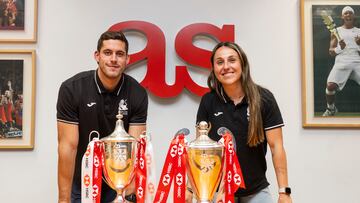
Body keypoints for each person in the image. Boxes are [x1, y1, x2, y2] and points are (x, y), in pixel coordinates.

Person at [186, 42, 292, 203]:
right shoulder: (208, 101)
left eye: (232, 60)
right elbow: (200, 153)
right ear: (214, 69)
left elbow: (276, 147)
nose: (226, 66)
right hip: (218, 191)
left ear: (243, 64)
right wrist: (189, 188)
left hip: (255, 190)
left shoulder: (264, 99)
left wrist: (284, 192)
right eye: (220, 62)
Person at [57, 31, 148, 203]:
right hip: (83, 180)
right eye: (107, 53)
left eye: (119, 54)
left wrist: (127, 195)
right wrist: (63, 199)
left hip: (120, 182)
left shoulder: (137, 93)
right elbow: (67, 148)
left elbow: (135, 150)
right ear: (97, 56)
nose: (113, 59)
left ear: (127, 59)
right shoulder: (72, 89)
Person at [323, 6, 360, 116]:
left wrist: (359, 45)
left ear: (353, 16)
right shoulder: (336, 31)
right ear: (342, 16)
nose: (348, 15)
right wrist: (340, 48)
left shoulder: (359, 31)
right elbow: (331, 52)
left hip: (357, 61)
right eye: (346, 13)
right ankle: (331, 109)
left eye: (350, 13)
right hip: (341, 62)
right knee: (330, 86)